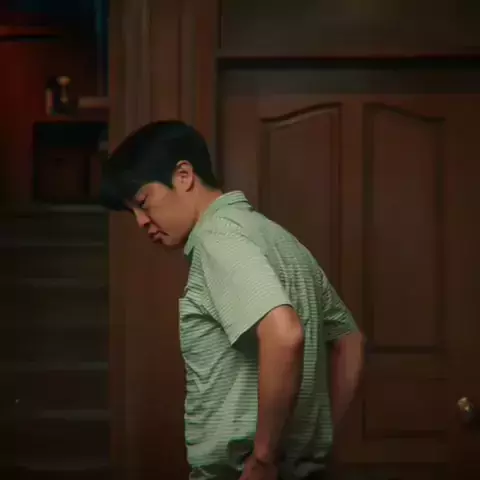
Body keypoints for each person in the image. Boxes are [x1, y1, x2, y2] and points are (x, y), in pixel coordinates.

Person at [100, 120, 365, 480]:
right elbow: (350, 341)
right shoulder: (277, 238)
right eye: (132, 211)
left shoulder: (217, 240)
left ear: (183, 176)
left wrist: (264, 458)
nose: (141, 222)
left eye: (143, 203)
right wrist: (314, 445)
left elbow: (284, 334)